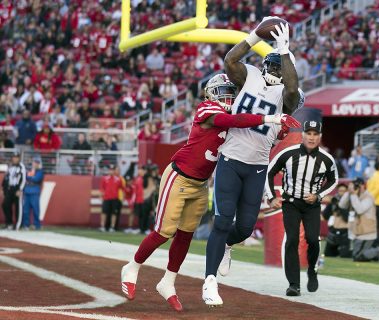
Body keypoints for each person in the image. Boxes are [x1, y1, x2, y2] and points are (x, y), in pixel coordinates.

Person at [120, 73, 299, 311]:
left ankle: (168, 282)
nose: (227, 96)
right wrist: (271, 117)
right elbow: (235, 121)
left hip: (202, 183)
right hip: (179, 176)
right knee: (165, 231)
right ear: (211, 93)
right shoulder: (207, 109)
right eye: (222, 91)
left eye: (230, 92)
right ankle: (132, 266)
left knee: (185, 235)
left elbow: (253, 138)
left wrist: (278, 128)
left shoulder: (236, 115)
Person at [202, 17, 300, 306]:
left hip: (257, 167)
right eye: (270, 63)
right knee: (221, 220)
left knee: (244, 228)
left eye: (278, 65)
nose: (272, 69)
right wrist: (255, 35)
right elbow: (230, 60)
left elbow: (293, 91)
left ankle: (229, 246)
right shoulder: (251, 76)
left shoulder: (288, 94)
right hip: (231, 159)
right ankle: (209, 281)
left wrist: (284, 51)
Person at [266, 120, 338, 296]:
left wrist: (318, 195)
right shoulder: (288, 153)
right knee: (292, 240)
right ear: (303, 135)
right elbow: (270, 171)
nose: (312, 137)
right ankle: (294, 284)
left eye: (315, 134)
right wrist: (271, 197)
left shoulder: (326, 159)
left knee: (313, 240)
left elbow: (334, 180)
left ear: (320, 137)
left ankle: (312, 270)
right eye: (309, 133)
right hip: (291, 203)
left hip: (312, 205)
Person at [338, 178, 379, 263]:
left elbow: (359, 209)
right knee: (358, 255)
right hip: (358, 231)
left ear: (363, 186)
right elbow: (341, 205)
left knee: (357, 256)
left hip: (367, 232)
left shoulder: (369, 197)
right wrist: (349, 192)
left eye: (357, 186)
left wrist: (353, 195)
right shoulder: (353, 196)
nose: (355, 188)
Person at [322, 183, 351, 258]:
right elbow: (325, 216)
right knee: (328, 254)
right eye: (340, 191)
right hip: (334, 231)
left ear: (347, 192)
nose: (341, 193)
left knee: (344, 255)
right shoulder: (334, 201)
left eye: (344, 191)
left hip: (345, 232)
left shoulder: (350, 202)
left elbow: (346, 218)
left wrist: (340, 206)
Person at [1, 152, 26, 230]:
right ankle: (9, 223)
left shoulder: (22, 167)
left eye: (16, 157)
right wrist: (2, 188)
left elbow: (24, 179)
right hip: (9, 188)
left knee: (18, 207)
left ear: (19, 158)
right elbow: (6, 177)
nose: (15, 159)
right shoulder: (10, 166)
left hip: (17, 188)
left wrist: (20, 189)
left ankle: (18, 225)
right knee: (5, 205)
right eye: (13, 157)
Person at [22, 157, 44, 230]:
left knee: (35, 209)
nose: (35, 164)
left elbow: (36, 179)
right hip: (27, 191)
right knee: (25, 210)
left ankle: (36, 225)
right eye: (34, 162)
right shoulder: (29, 170)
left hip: (34, 191)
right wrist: (29, 177)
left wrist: (28, 177)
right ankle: (26, 225)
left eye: (37, 162)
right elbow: (25, 177)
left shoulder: (40, 171)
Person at [99, 164, 123, 232]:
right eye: (110, 170)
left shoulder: (118, 179)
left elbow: (121, 189)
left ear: (114, 171)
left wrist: (122, 198)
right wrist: (101, 196)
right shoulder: (104, 178)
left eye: (112, 170)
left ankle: (112, 227)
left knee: (114, 213)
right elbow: (102, 188)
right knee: (104, 212)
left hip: (115, 199)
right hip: (106, 198)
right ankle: (102, 226)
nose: (111, 171)